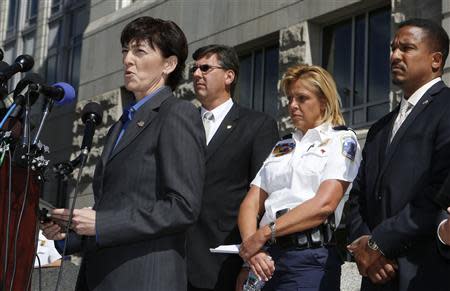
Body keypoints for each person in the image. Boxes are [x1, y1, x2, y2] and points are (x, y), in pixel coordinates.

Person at [41, 16, 205, 290]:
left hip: (144, 278)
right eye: (125, 51)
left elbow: (182, 208)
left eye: (139, 51)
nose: (128, 60)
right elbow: (116, 208)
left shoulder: (177, 114)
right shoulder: (122, 124)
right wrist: (69, 232)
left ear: (169, 64)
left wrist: (101, 222)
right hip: (101, 276)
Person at [346, 18, 450, 291]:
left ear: (435, 60)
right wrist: (365, 245)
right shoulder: (380, 127)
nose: (394, 55)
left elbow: (440, 190)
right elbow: (358, 194)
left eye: (407, 48)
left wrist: (380, 242)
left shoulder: (447, 109)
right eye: (393, 48)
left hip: (424, 272)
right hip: (376, 274)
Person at [237, 64, 362, 291]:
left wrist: (264, 233)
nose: (292, 105)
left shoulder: (342, 140)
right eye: (290, 98)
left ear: (324, 101)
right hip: (266, 259)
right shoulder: (283, 145)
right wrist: (252, 250)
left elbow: (324, 204)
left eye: (302, 98)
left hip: (309, 261)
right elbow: (251, 202)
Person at [186, 45, 279, 291]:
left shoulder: (258, 126)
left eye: (205, 68)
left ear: (229, 76)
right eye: (193, 68)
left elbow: (263, 196)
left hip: (223, 264)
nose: (197, 74)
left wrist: (249, 264)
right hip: (172, 262)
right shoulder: (180, 124)